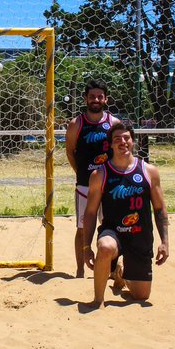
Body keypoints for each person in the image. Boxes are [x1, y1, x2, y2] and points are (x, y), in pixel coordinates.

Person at [81, 121, 169, 305]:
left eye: (126, 138)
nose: (123, 142)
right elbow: (90, 213)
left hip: (140, 236)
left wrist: (165, 242)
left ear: (133, 141)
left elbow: (160, 209)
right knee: (105, 247)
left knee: (141, 296)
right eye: (117, 139)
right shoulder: (100, 175)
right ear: (111, 144)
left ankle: (119, 274)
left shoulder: (149, 171)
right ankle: (98, 301)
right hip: (113, 232)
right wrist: (86, 248)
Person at [65, 79, 114, 279]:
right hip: (85, 185)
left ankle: (110, 269)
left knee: (110, 225)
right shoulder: (76, 124)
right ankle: (80, 271)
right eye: (92, 96)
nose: (95, 99)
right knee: (82, 227)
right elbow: (70, 152)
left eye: (99, 96)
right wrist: (83, 173)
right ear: (85, 98)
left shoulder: (114, 123)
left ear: (106, 99)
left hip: (109, 186)